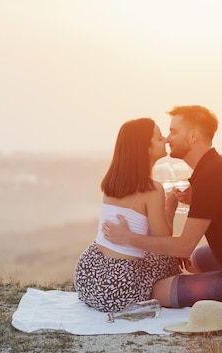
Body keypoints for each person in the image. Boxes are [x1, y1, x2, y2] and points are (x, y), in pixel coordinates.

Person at [103, 105, 222, 308]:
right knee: (194, 259)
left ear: (193, 136)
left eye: (174, 131)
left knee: (158, 291)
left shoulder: (210, 178)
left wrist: (128, 238)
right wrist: (195, 198)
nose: (168, 138)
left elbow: (183, 246)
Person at [73, 117, 182, 313]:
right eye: (159, 138)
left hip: (87, 275)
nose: (165, 139)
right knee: (169, 258)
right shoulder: (153, 188)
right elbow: (162, 241)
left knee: (152, 255)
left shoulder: (112, 182)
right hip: (117, 288)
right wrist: (170, 205)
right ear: (146, 148)